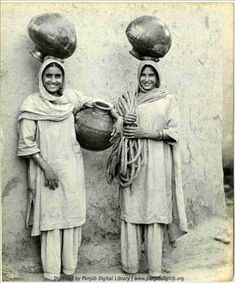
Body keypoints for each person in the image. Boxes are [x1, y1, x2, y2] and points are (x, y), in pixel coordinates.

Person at [17, 56, 123, 280]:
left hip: (72, 169)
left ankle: (69, 272)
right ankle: (52, 273)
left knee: (72, 220)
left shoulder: (71, 98)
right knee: (52, 222)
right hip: (47, 172)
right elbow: (26, 143)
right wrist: (46, 168)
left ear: (63, 78)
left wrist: (116, 116)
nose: (53, 81)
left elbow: (97, 103)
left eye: (57, 76)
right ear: (41, 77)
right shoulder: (32, 104)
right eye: (48, 76)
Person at [118, 60, 188, 277]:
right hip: (134, 165)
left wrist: (145, 133)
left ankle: (155, 268)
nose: (146, 79)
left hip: (158, 164)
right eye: (143, 75)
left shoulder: (168, 100)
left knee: (155, 210)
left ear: (157, 77)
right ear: (138, 77)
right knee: (132, 209)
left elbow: (174, 131)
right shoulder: (130, 101)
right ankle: (130, 266)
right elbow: (116, 130)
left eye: (151, 75)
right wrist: (123, 122)